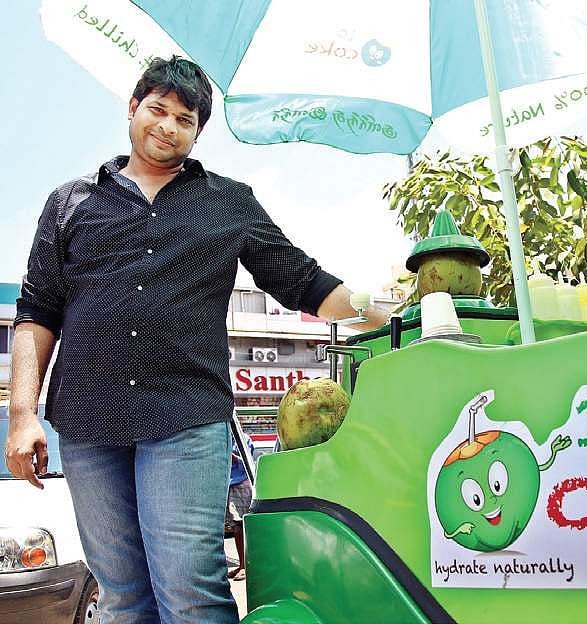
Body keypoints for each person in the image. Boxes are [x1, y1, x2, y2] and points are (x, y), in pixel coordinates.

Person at [4, 56, 388, 623]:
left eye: (184, 119)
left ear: (198, 132)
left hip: (185, 416)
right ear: (133, 108)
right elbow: (38, 311)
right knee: (121, 596)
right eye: (158, 110)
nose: (168, 127)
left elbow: (299, 280)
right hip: (88, 421)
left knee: (191, 591)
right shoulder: (70, 203)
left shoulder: (228, 202)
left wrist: (384, 315)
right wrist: (22, 415)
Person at [225, 435, 255, 582]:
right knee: (235, 528)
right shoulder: (222, 436)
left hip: (240, 485)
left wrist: (230, 456)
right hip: (228, 484)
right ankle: (241, 564)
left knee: (242, 526)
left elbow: (247, 462)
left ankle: (245, 566)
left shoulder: (242, 439)